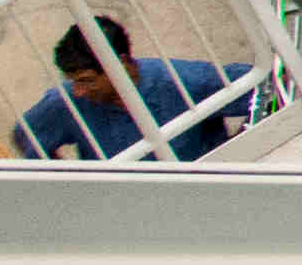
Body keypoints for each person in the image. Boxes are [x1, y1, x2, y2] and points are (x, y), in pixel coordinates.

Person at [17, 18, 260, 165]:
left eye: (87, 80)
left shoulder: (184, 81)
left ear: (120, 64)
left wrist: (238, 150)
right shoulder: (66, 103)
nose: (78, 91)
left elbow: (266, 85)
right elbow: (26, 134)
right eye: (73, 81)